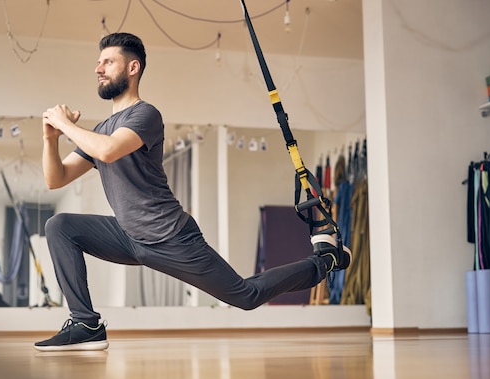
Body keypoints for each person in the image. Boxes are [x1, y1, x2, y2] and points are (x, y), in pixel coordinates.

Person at [35, 32, 351, 352]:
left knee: (245, 296)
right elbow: (56, 179)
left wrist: (67, 126)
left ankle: (324, 260)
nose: (98, 68)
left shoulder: (145, 115)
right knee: (60, 226)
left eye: (107, 61)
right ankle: (85, 323)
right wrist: (51, 138)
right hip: (128, 235)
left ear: (133, 68)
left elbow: (109, 151)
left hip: (170, 236)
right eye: (98, 62)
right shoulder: (100, 130)